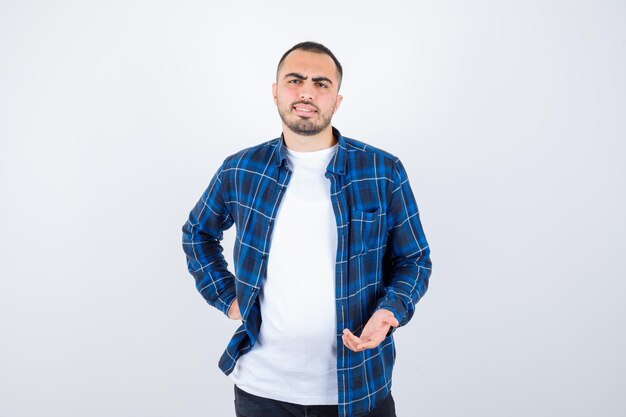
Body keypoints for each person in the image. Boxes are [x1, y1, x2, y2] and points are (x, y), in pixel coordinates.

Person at [182, 41, 432, 417]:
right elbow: (197, 233)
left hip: (359, 387)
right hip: (262, 391)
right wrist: (226, 296)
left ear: (337, 100)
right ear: (275, 91)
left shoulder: (382, 170)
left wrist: (390, 311)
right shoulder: (241, 169)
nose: (306, 92)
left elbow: (414, 259)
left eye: (321, 83)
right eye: (295, 80)